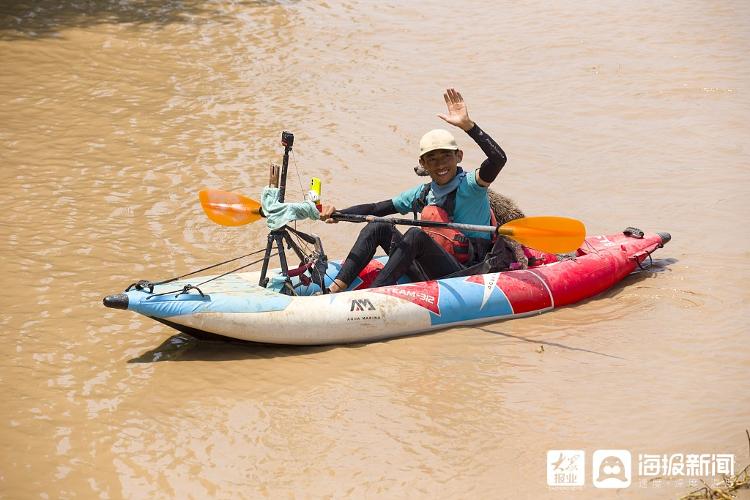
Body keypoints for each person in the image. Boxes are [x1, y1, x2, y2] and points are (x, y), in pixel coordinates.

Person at [320, 88, 508, 293]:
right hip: (428, 270)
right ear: (423, 163)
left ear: (459, 156)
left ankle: (374, 293)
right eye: (432, 159)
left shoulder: (472, 185)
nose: (440, 165)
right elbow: (378, 207)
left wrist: (468, 126)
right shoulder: (423, 193)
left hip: (465, 274)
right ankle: (335, 289)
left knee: (415, 235)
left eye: (446, 156)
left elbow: (499, 159)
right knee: (378, 226)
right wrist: (338, 214)